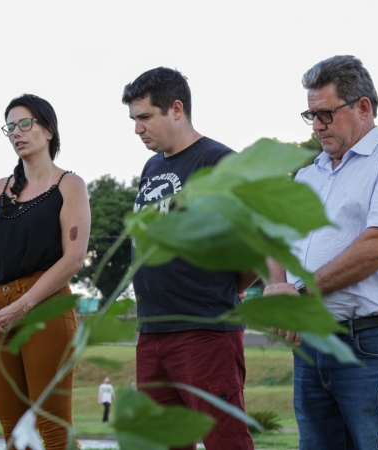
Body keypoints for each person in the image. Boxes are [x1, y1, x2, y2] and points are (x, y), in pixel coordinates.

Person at [263, 55, 378, 449]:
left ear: (363, 107)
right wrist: (278, 288)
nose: (316, 126)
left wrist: (299, 292)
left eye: (326, 114)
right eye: (310, 115)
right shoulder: (307, 174)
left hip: (374, 343)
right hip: (311, 344)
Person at [122, 67, 257, 450]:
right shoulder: (152, 167)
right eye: (134, 120)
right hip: (153, 332)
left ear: (176, 109)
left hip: (204, 331)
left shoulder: (218, 163)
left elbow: (255, 245)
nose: (137, 129)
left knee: (225, 441)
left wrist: (232, 289)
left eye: (145, 117)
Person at [0, 94, 90, 450]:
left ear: (48, 129)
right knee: (13, 430)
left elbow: (73, 259)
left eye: (26, 124)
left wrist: (22, 305)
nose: (17, 133)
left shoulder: (69, 184)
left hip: (45, 306)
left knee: (53, 429)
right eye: (10, 127)